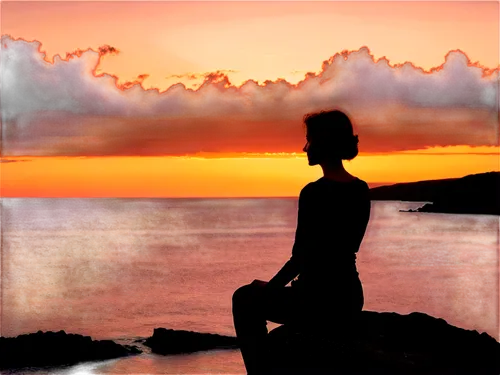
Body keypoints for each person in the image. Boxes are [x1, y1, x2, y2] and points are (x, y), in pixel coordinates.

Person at [232, 110, 371, 374]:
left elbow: (302, 258)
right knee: (255, 292)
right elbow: (345, 249)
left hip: (317, 301)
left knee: (244, 298)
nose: (304, 147)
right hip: (349, 297)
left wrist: (270, 289)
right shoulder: (361, 188)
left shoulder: (314, 192)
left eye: (309, 140)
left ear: (323, 143)